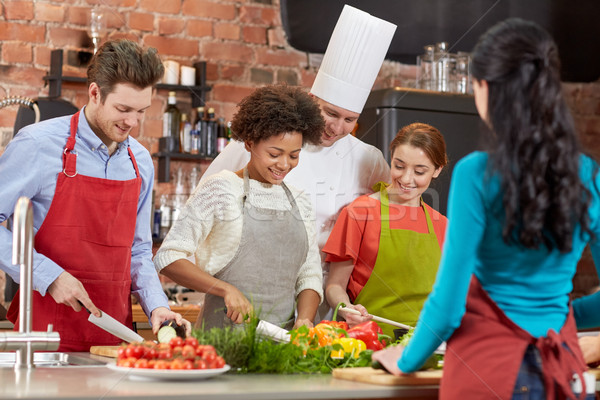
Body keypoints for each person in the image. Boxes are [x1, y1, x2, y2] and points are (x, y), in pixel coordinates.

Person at [372, 18, 600, 399]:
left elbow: (449, 303)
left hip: (489, 374)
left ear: (485, 87)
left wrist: (407, 359)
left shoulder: (477, 172)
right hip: (561, 371)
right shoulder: (588, 174)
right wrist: (556, 317)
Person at [203, 5, 397, 322]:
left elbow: (392, 219)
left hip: (328, 300)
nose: (337, 127)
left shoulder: (368, 159)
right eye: (330, 113)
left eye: (350, 119)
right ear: (311, 98)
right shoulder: (264, 138)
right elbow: (206, 198)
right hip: (253, 291)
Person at [0, 39, 189, 351]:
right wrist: (48, 275)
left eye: (141, 111)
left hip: (114, 338)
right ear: (95, 94)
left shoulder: (140, 162)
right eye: (123, 109)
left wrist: (158, 307)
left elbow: (138, 251)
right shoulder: (38, 144)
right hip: (44, 335)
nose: (132, 122)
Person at [154, 85, 325, 330]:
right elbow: (168, 257)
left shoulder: (300, 201)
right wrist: (225, 289)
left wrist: (305, 319)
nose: (285, 164)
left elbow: (309, 275)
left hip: (283, 346)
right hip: (223, 341)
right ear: (249, 143)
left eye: (294, 155)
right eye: (275, 154)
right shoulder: (221, 189)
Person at [323, 123, 448, 338]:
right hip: (370, 339)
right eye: (399, 166)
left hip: (429, 343)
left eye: (419, 171)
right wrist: (346, 308)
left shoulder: (443, 225)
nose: (406, 179)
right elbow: (335, 285)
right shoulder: (359, 212)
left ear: (437, 170)